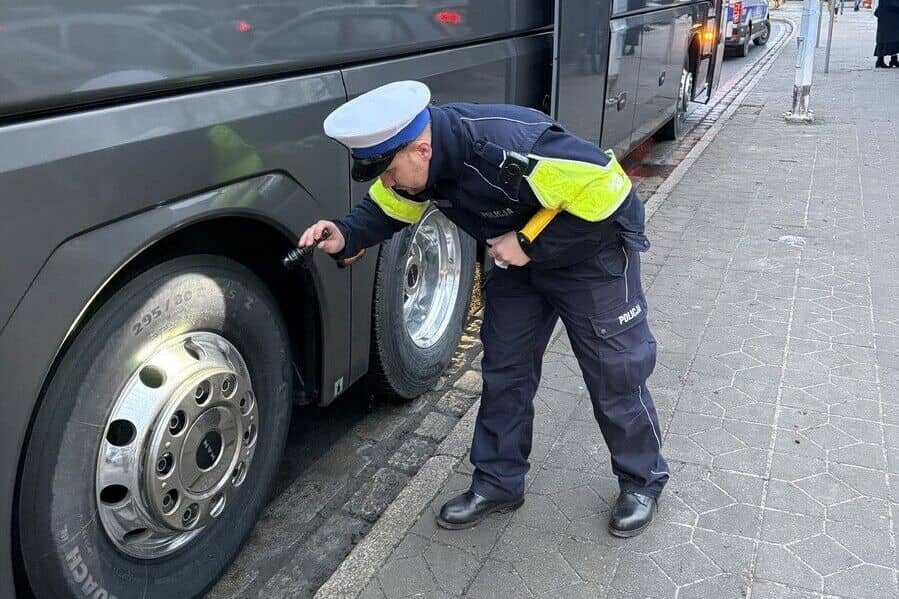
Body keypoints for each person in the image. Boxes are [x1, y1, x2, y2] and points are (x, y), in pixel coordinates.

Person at [298, 81, 669, 537]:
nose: (387, 182)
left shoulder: (508, 144)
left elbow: (612, 192)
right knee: (505, 368)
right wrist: (346, 233)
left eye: (390, 170)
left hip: (590, 252)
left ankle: (641, 480)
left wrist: (530, 242)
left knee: (616, 369)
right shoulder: (422, 165)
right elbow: (391, 205)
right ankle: (498, 482)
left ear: (421, 149)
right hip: (516, 259)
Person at [875, 0, 899, 67]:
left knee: (894, 39)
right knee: (884, 38)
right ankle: (880, 60)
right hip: (886, 15)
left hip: (892, 15)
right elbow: (891, 3)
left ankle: (894, 59)